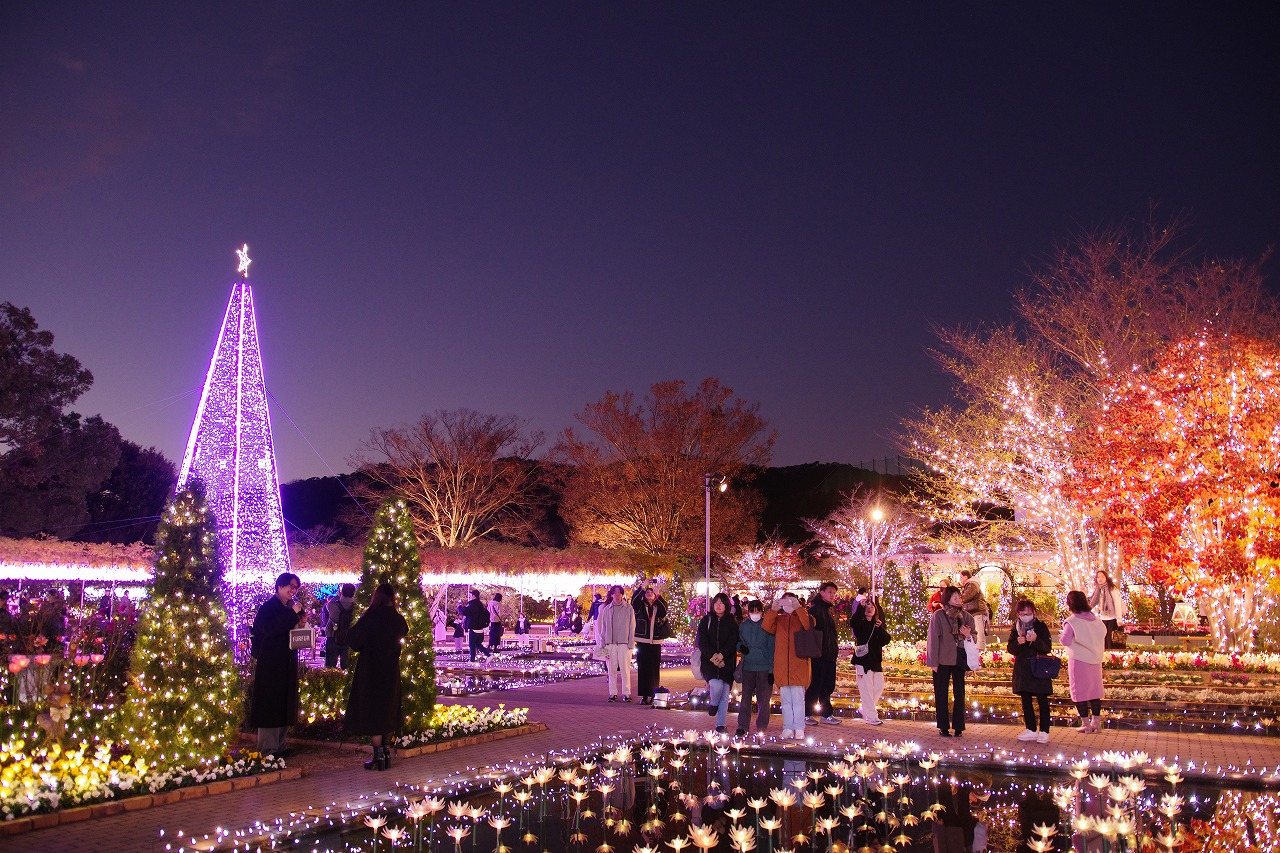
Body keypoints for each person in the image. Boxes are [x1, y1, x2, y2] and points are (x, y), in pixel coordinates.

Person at [343, 582, 409, 771]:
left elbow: (353, 640)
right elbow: (404, 632)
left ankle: (377, 756)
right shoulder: (398, 619)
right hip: (390, 671)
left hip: (371, 671)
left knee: (373, 712)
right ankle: (386, 753)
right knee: (388, 709)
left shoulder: (370, 617)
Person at [248, 572, 304, 757]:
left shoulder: (286, 608)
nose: (293, 590)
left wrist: (300, 623)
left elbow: (287, 631)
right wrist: (292, 614)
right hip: (271, 664)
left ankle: (279, 746)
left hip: (285, 663)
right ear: (279, 586)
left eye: (296, 587)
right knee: (270, 705)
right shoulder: (268, 608)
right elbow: (270, 629)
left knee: (283, 703)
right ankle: (267, 749)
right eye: (291, 586)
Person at [762, 591, 812, 740]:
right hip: (783, 666)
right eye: (785, 602)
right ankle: (788, 727)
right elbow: (766, 626)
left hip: (799, 665)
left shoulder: (803, 616)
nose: (788, 605)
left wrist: (799, 609)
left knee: (798, 700)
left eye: (791, 601)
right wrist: (773, 610)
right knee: (786, 701)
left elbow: (808, 625)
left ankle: (799, 728)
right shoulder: (779, 620)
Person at [927, 585, 974, 737]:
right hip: (942, 660)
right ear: (947, 599)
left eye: (959, 597)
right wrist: (933, 662)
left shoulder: (966, 616)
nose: (959, 600)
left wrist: (968, 635)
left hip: (959, 659)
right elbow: (933, 639)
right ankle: (943, 726)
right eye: (955, 598)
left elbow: (974, 637)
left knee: (959, 693)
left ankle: (959, 726)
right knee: (941, 693)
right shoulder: (939, 615)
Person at [1007, 599, 1053, 743]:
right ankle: (1031, 729)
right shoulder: (1016, 627)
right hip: (1024, 669)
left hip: (1039, 668)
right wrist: (1018, 643)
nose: (1026, 616)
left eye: (1029, 613)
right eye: (1023, 613)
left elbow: (1047, 647)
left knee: (1042, 700)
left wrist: (1036, 640)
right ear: (1018, 614)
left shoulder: (1040, 626)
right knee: (1025, 699)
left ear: (1033, 613)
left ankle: (1044, 731)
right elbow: (1011, 648)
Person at [1061, 589, 1108, 733]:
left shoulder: (1072, 621)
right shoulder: (1096, 620)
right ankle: (1097, 723)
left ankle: (1086, 724)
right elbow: (1104, 633)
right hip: (1095, 659)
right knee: (1095, 691)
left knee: (1079, 692)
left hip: (1079, 660)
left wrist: (1061, 636)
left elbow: (1066, 640)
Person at [696, 592, 739, 733]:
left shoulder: (731, 622)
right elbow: (701, 641)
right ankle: (713, 703)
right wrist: (714, 656)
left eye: (721, 603)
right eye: (716, 602)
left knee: (725, 694)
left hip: (727, 662)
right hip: (709, 662)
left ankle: (720, 725)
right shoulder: (706, 620)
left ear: (726, 605)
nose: (718, 605)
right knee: (716, 684)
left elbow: (733, 641)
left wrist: (722, 655)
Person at [849, 596, 891, 725]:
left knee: (878, 686)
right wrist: (860, 608)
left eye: (872, 607)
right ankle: (872, 716)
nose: (870, 609)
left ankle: (865, 709)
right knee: (866, 689)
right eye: (867, 607)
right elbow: (854, 622)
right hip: (862, 661)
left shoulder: (876, 625)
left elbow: (886, 640)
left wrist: (879, 628)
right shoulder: (860, 624)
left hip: (875, 661)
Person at [736, 599, 775, 736]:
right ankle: (742, 726)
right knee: (745, 698)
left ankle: (762, 726)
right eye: (752, 611)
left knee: (763, 699)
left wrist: (771, 670)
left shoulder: (767, 625)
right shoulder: (743, 626)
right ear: (748, 611)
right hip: (748, 666)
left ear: (762, 611)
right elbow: (738, 640)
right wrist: (740, 647)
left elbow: (772, 647)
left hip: (764, 667)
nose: (755, 613)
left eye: (757, 610)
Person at [804, 581, 841, 726]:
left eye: (834, 593)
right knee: (815, 685)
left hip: (829, 655)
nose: (832, 595)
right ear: (822, 592)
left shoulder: (827, 610)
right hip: (819, 655)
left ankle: (826, 714)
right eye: (830, 592)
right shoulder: (815, 610)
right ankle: (807, 713)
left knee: (827, 686)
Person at [595, 584, 636, 702]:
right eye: (615, 593)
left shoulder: (628, 608)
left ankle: (626, 693)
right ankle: (613, 693)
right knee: (611, 670)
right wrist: (602, 644)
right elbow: (603, 628)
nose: (617, 595)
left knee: (625, 669)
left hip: (624, 644)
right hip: (610, 644)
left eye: (619, 593)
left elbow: (632, 626)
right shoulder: (607, 609)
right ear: (611, 594)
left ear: (622, 595)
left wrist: (631, 643)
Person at [632, 578, 669, 705]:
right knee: (643, 668)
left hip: (656, 642)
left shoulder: (658, 607)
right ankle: (644, 695)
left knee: (654, 669)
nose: (649, 594)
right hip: (642, 640)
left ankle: (654, 694)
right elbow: (634, 600)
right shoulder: (640, 607)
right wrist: (643, 586)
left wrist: (658, 594)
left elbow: (665, 610)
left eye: (651, 592)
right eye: (647, 592)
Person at [321, 583, 356, 669]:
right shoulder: (356, 607)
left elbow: (328, 605)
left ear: (341, 592)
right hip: (349, 638)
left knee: (330, 668)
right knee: (347, 667)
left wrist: (338, 596)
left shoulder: (333, 605)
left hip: (333, 636)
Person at [1088, 571, 1124, 649]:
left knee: (1111, 640)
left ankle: (1113, 657)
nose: (1100, 579)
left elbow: (1117, 604)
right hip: (1103, 618)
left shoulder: (1112, 589)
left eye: (1102, 577)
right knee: (1103, 641)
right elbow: (1092, 603)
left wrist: (1119, 618)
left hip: (1113, 618)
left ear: (1106, 578)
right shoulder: (1098, 590)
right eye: (1098, 577)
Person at [958, 570, 989, 648]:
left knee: (979, 634)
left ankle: (981, 653)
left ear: (966, 577)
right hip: (975, 612)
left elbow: (966, 596)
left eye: (961, 577)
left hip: (977, 612)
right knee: (977, 633)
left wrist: (958, 599)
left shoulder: (972, 584)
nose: (960, 579)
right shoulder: (971, 584)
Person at [462, 590, 490, 661]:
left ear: (474, 596)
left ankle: (472, 660)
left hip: (474, 628)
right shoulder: (480, 604)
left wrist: (459, 607)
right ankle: (488, 655)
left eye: (470, 595)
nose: (469, 597)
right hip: (480, 628)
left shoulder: (473, 605)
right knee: (477, 644)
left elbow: (465, 612)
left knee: (472, 645)